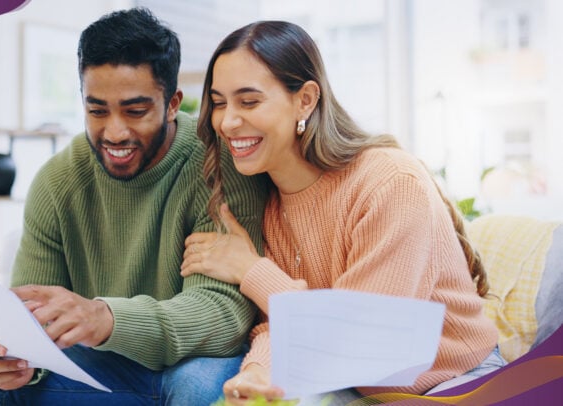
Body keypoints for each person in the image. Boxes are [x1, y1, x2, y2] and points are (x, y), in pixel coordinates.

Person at [0, 8, 270, 405]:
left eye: (135, 111)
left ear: (172, 104)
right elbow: (32, 318)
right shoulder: (57, 182)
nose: (114, 132)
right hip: (101, 369)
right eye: (97, 110)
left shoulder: (215, 166)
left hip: (188, 364)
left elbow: (221, 318)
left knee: (200, 387)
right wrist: (17, 359)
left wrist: (107, 319)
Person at [180, 20, 504, 404]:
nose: (227, 121)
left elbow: (364, 337)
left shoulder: (389, 182)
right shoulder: (269, 203)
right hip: (356, 386)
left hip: (456, 384)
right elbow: (278, 325)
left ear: (306, 99)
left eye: (248, 101)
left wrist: (251, 270)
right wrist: (258, 373)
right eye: (219, 103)